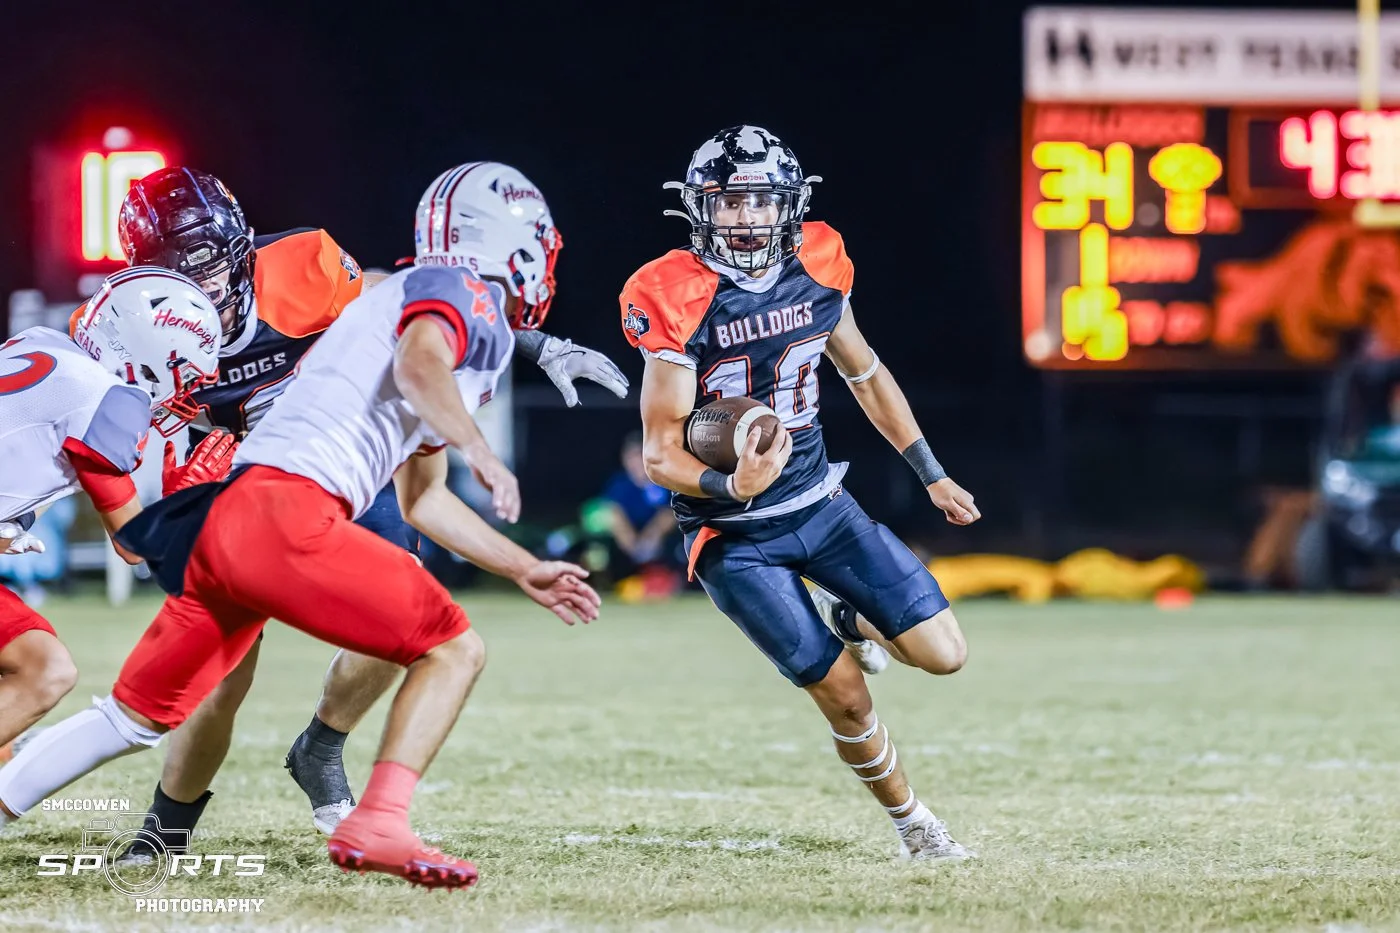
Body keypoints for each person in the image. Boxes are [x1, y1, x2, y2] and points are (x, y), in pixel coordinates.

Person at [0, 164, 601, 889]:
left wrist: (526, 352)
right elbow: (422, 333)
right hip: (251, 482)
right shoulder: (137, 317)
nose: (205, 284)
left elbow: (408, 323)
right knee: (282, 670)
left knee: (138, 714)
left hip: (305, 481)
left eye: (213, 264)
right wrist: (482, 442)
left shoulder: (319, 274)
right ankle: (210, 824)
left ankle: (318, 747)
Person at [620, 126, 981, 861]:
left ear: (789, 204)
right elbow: (659, 453)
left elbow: (865, 373)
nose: (747, 216)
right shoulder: (672, 291)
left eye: (760, 200)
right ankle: (914, 823)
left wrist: (931, 471)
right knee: (845, 693)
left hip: (822, 503)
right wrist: (728, 483)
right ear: (699, 207)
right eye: (729, 201)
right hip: (733, 537)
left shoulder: (819, 258)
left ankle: (848, 614)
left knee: (945, 653)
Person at [0, 267, 232, 760]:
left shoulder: (41, 343)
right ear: (151, 353)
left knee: (22, 677)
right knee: (44, 672)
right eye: (184, 371)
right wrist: (184, 503)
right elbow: (134, 546)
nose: (185, 391)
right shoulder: (108, 397)